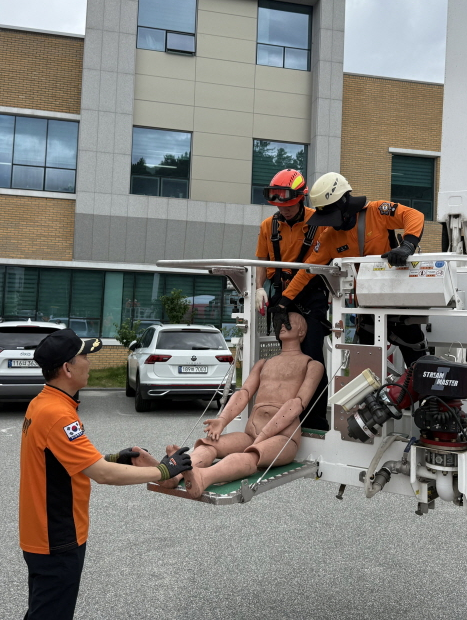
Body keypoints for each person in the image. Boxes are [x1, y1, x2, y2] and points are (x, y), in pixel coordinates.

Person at [19, 328, 191, 620]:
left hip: (44, 532)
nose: (90, 361)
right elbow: (103, 475)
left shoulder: (45, 402)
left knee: (44, 610)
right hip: (57, 536)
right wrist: (164, 470)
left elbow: (63, 460)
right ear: (67, 368)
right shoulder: (58, 414)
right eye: (84, 355)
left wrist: (114, 457)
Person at [271, 171, 429, 367]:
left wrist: (407, 245)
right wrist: (283, 303)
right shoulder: (329, 236)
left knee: (416, 358)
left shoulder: (377, 212)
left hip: (400, 300)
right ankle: (372, 398)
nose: (330, 222)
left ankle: (426, 395)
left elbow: (413, 215)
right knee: (365, 367)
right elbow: (307, 271)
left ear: (344, 203)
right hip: (368, 305)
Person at [157, 312, 323, 499]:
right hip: (251, 433)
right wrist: (222, 420)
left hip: (283, 437)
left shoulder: (312, 365)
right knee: (210, 444)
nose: (282, 325)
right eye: (279, 322)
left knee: (251, 456)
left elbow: (297, 404)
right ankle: (175, 473)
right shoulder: (264, 363)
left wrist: (265, 435)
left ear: (302, 330)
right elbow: (243, 393)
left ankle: (202, 478)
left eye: (288, 322)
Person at [253, 168, 330, 429]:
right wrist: (258, 287)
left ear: (301, 198)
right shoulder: (268, 226)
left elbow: (318, 263)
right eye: (279, 205)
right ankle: (287, 415)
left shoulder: (319, 223)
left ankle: (316, 420)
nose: (284, 210)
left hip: (310, 295)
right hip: (279, 294)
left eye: (289, 204)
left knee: (311, 357)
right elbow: (261, 261)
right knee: (287, 358)